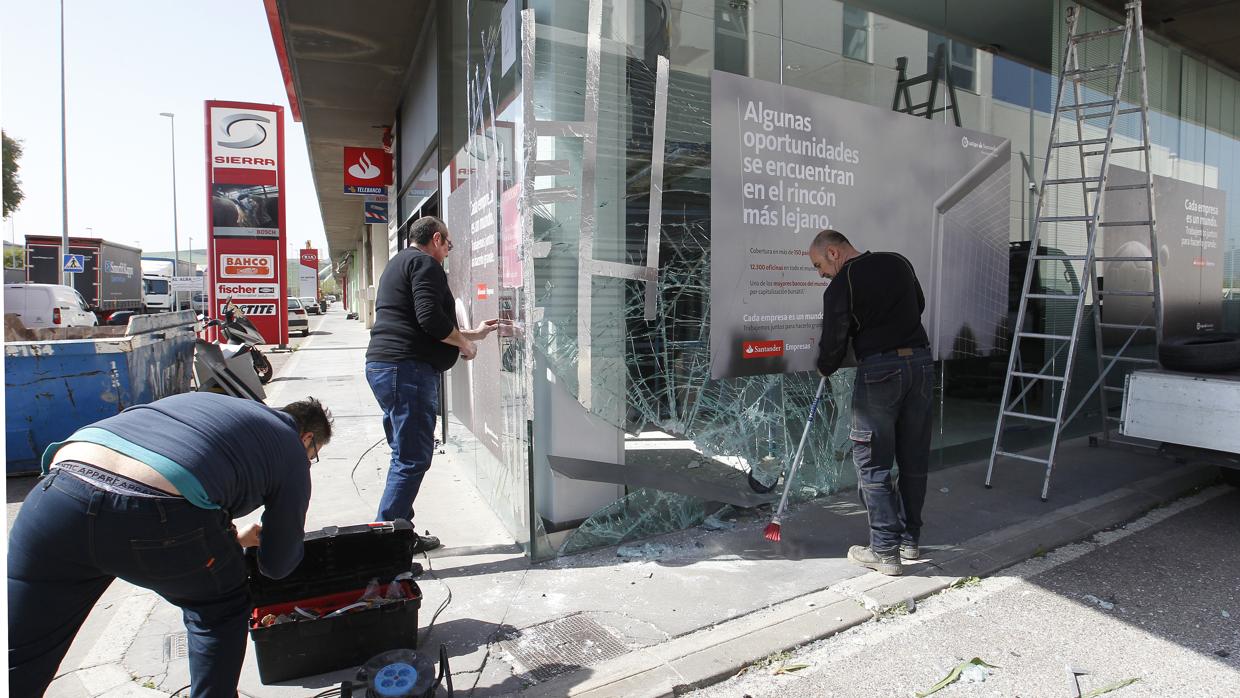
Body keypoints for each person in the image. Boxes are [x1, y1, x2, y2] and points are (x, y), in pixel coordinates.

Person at [7, 392, 332, 698]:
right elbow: (277, 564)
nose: (308, 462)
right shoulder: (290, 448)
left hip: (58, 494)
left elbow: (187, 475)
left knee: (21, 652)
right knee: (220, 610)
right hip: (154, 514)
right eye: (313, 457)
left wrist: (229, 538)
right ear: (307, 439)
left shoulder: (217, 408)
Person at [365, 216, 500, 551]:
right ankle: (387, 545)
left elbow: (420, 322)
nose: (447, 252)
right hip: (406, 370)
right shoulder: (426, 263)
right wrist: (466, 346)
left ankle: (399, 530)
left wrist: (473, 333)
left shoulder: (398, 263)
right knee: (412, 457)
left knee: (404, 455)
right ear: (437, 239)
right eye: (449, 245)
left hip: (385, 367)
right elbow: (430, 320)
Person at [809, 229, 933, 577]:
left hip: (880, 371)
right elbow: (918, 304)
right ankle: (910, 541)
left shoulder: (842, 284)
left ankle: (884, 552)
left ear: (833, 252)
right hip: (921, 365)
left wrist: (825, 366)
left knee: (873, 462)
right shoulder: (897, 262)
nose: (820, 273)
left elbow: (834, 339)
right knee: (913, 457)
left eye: (819, 265)